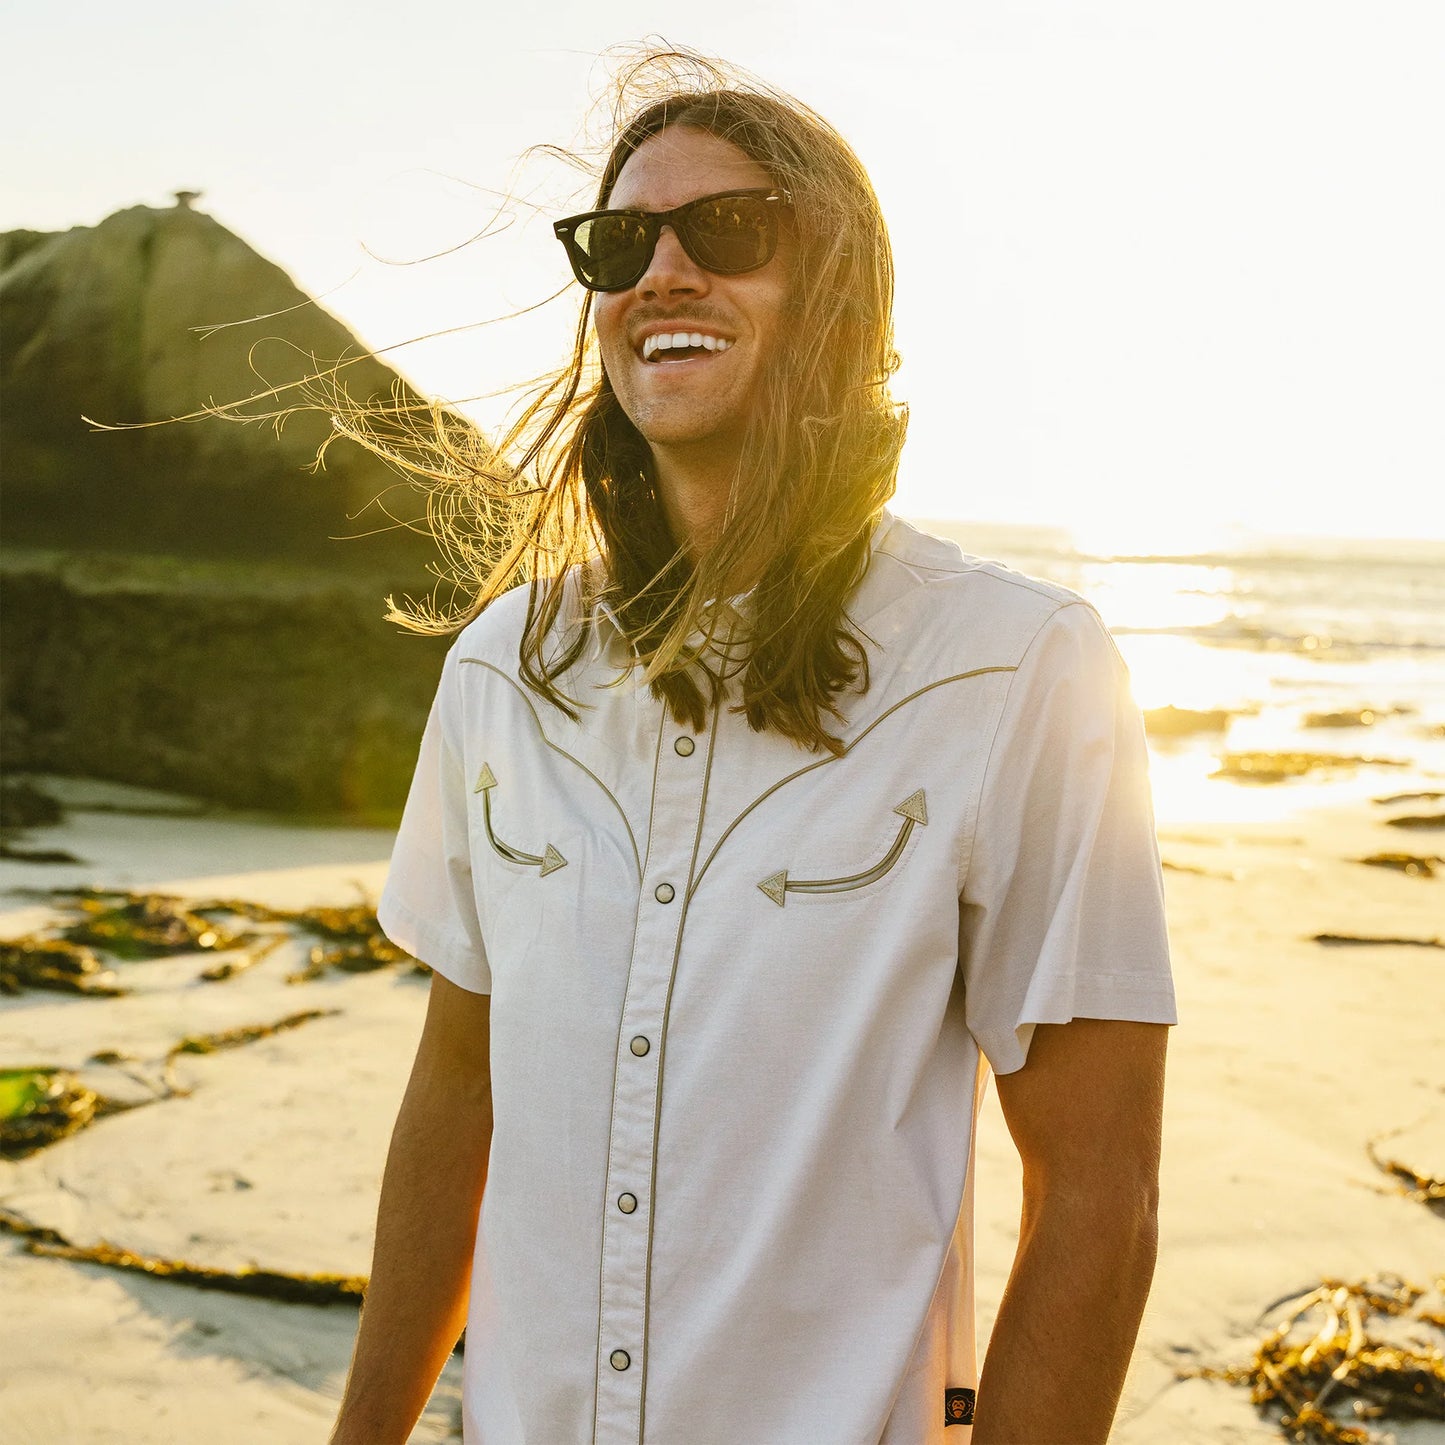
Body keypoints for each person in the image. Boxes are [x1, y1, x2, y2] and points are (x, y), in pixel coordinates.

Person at [330, 49, 1176, 1445]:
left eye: (727, 231)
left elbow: (1099, 1193)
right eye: (619, 244)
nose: (662, 273)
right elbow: (456, 1100)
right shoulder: (504, 669)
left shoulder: (1018, 667)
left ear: (840, 296)